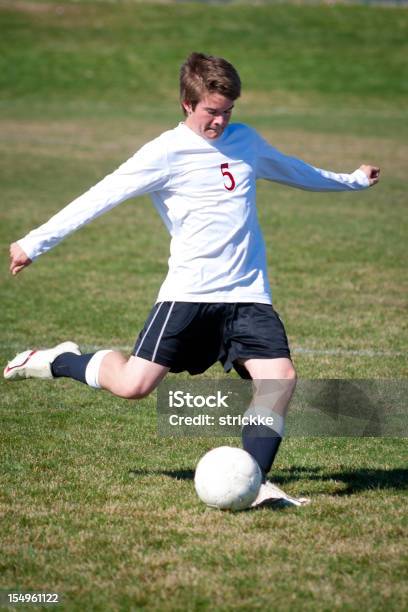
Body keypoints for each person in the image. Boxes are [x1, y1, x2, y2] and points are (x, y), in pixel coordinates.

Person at [4, 52, 380, 507]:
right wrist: (34, 242)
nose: (220, 121)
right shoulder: (164, 151)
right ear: (187, 103)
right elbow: (100, 196)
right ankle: (60, 360)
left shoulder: (246, 141)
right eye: (211, 112)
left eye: (227, 111)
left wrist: (353, 181)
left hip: (247, 294)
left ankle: (255, 481)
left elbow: (295, 170)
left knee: (279, 379)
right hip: (190, 294)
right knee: (134, 386)